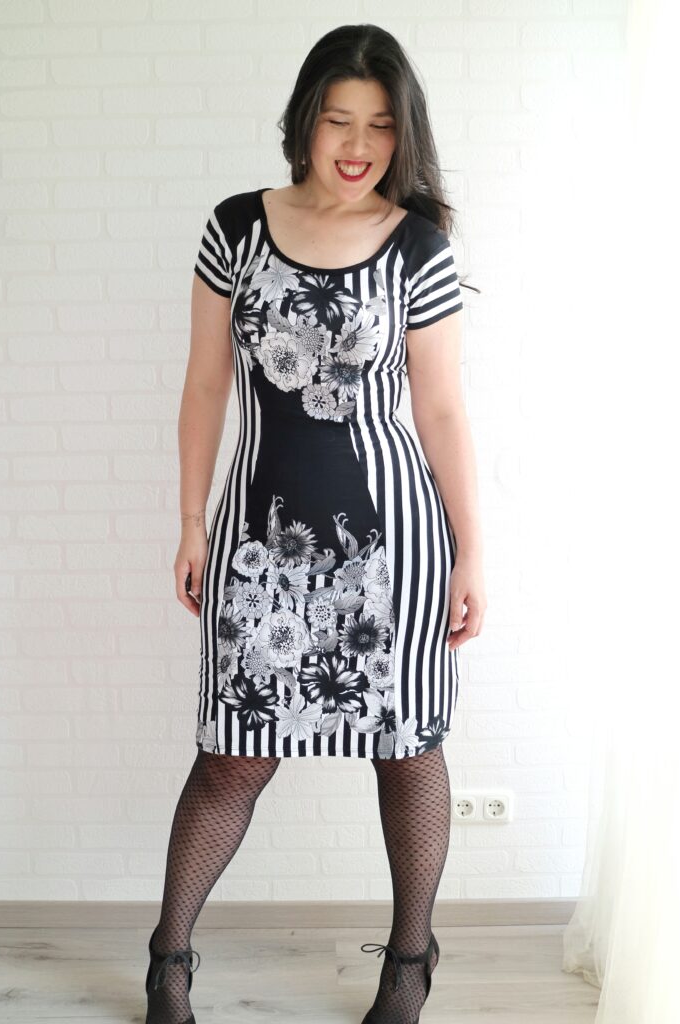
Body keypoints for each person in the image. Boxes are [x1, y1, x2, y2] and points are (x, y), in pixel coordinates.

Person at [144, 23, 486, 1024]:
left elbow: (442, 412)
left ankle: (409, 964)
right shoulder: (236, 227)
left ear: (401, 134)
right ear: (305, 121)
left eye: (380, 126)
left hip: (396, 545)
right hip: (260, 543)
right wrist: (191, 521)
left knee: (406, 748)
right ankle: (168, 960)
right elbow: (204, 384)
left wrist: (473, 552)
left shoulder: (417, 247)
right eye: (339, 120)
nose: (357, 145)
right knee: (233, 754)